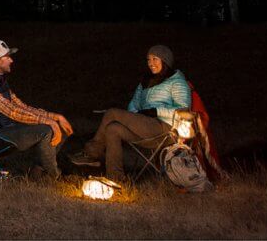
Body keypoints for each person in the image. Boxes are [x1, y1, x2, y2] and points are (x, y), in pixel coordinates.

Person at [71, 44, 191, 182]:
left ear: (165, 61)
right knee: (113, 128)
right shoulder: (146, 81)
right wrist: (137, 114)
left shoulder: (177, 82)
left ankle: (92, 153)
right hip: (145, 127)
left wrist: (156, 111)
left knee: (112, 113)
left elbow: (184, 110)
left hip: (164, 130)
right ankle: (115, 178)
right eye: (148, 60)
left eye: (155, 59)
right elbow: (133, 104)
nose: (151, 63)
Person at [0, 39, 72, 179]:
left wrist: (54, 117)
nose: (11, 60)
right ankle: (55, 176)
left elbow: (20, 106)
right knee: (47, 130)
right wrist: (48, 122)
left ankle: (38, 171)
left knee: (61, 126)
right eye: (8, 57)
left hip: (7, 128)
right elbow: (12, 111)